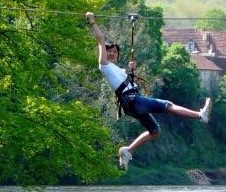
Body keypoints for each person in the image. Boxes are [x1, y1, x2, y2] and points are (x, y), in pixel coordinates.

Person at [86, 12, 212, 171]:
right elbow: (100, 40)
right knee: (168, 105)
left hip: (131, 104)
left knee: (155, 131)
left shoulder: (118, 70)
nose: (111, 53)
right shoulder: (104, 65)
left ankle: (127, 151)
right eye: (109, 50)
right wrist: (92, 22)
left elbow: (126, 84)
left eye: (114, 52)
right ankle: (200, 116)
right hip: (133, 101)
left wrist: (130, 73)